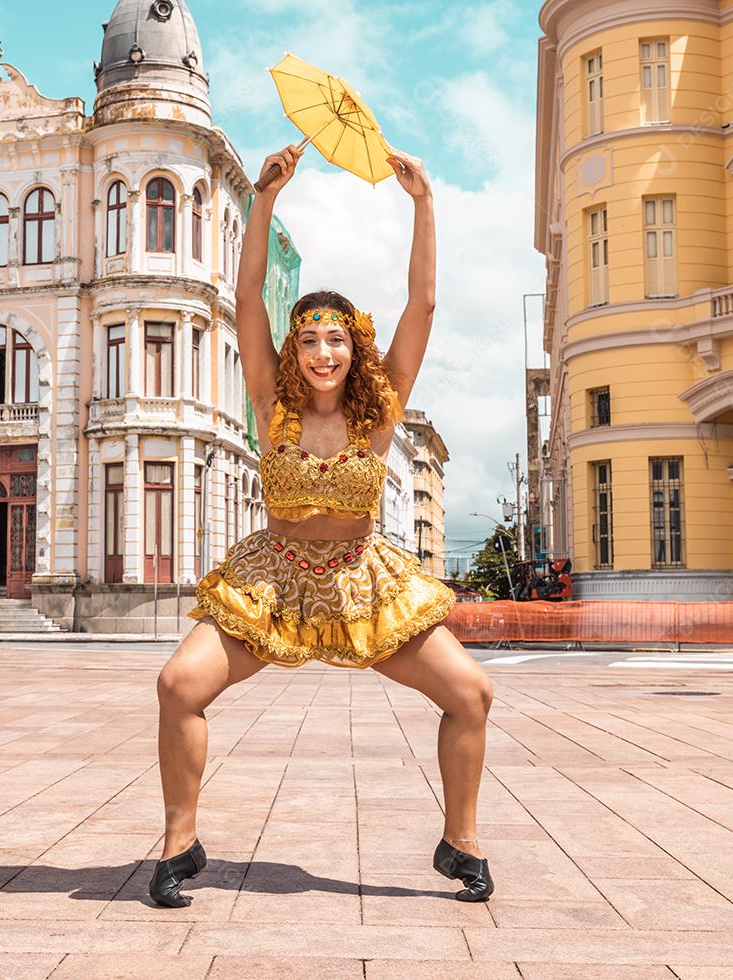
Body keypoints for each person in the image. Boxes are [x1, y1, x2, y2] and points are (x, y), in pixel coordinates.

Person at [150, 143, 495, 908]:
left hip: (362, 583)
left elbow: (424, 307)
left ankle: (460, 842)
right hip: (272, 581)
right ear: (292, 349)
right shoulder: (271, 402)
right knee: (178, 685)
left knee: (470, 694)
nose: (321, 351)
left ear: (354, 347)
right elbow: (244, 302)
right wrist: (266, 197)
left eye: (334, 338)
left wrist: (424, 200)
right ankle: (181, 842)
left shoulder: (381, 413)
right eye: (307, 339)